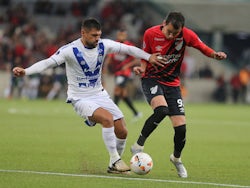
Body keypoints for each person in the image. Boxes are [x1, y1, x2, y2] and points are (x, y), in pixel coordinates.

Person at [12, 18, 165, 174]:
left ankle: (114, 163)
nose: (97, 38)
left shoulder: (103, 45)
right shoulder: (69, 50)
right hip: (80, 97)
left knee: (122, 130)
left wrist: (148, 56)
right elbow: (47, 63)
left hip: (99, 94)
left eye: (99, 35)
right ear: (83, 33)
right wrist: (26, 71)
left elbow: (129, 50)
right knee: (107, 119)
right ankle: (115, 160)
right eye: (93, 35)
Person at [130, 12, 227, 178]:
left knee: (181, 128)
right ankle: (138, 146)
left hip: (173, 84)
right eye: (169, 31)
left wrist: (214, 54)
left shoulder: (186, 35)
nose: (171, 35)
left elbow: (202, 47)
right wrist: (143, 69)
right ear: (164, 23)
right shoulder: (150, 33)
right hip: (152, 79)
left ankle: (176, 158)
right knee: (161, 110)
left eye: (175, 33)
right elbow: (145, 54)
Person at [104, 29, 142, 121]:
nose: (121, 37)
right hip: (117, 72)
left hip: (125, 73)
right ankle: (136, 113)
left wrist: (127, 65)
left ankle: (113, 114)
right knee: (123, 94)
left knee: (117, 90)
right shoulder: (114, 45)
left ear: (126, 36)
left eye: (123, 35)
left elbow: (137, 60)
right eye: (120, 35)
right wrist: (105, 67)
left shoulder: (129, 46)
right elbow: (109, 57)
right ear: (117, 35)